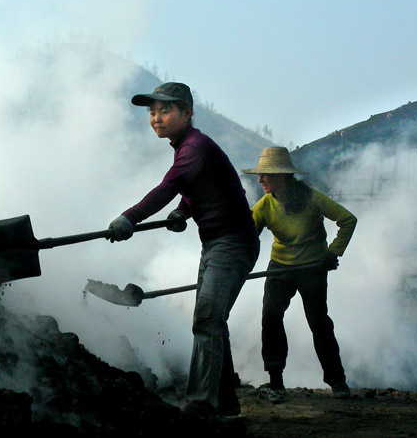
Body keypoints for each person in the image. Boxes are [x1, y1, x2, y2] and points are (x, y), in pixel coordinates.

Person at [108, 82, 260, 417]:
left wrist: (129, 218)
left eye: (164, 111)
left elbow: (170, 185)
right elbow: (194, 185)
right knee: (212, 319)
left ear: (187, 113)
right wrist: (183, 211)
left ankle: (203, 403)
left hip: (233, 243)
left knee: (207, 317)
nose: (156, 118)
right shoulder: (188, 147)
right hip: (217, 242)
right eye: (151, 112)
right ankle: (226, 401)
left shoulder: (193, 147)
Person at [242, 146, 357, 400]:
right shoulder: (264, 206)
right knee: (271, 318)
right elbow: (246, 238)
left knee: (318, 322)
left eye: (266, 175)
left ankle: (337, 381)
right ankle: (275, 381)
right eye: (260, 175)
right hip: (280, 267)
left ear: (282, 176)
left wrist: (332, 253)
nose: (260, 180)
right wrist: (236, 266)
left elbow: (348, 220)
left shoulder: (312, 198)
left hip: (312, 268)